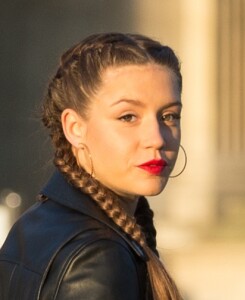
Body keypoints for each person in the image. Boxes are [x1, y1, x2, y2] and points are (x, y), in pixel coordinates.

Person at [0, 33, 185, 300]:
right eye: (128, 117)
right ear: (75, 128)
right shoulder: (99, 257)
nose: (157, 138)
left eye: (169, 116)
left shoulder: (34, 223)